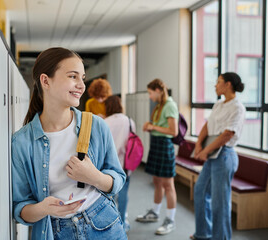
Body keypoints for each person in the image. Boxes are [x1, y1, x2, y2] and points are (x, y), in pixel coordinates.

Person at [11, 47, 127, 240]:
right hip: (56, 231)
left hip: (104, 225)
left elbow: (118, 180)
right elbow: (20, 209)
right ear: (45, 81)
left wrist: (94, 177)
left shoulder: (96, 125)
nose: (81, 85)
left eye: (82, 77)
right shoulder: (22, 142)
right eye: (73, 76)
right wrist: (42, 208)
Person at [190, 72, 245, 240]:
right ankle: (203, 233)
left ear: (228, 85)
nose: (215, 85)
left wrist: (206, 151)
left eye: (218, 82)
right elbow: (207, 126)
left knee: (219, 203)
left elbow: (227, 135)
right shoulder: (218, 105)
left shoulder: (238, 107)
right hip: (212, 155)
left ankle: (220, 238)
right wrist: (199, 144)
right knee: (200, 191)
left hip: (224, 156)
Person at [136, 78, 179, 235]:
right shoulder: (160, 105)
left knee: (168, 185)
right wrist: (150, 126)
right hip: (156, 144)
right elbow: (162, 126)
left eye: (150, 93)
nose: (149, 96)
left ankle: (170, 220)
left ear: (159, 91)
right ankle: (155, 212)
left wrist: (153, 126)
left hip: (164, 146)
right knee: (157, 182)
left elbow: (173, 132)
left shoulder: (170, 105)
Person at [104, 95, 136, 232]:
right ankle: (122, 223)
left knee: (108, 194)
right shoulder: (129, 121)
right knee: (123, 193)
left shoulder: (105, 122)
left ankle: (109, 223)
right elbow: (132, 142)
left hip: (107, 164)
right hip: (125, 164)